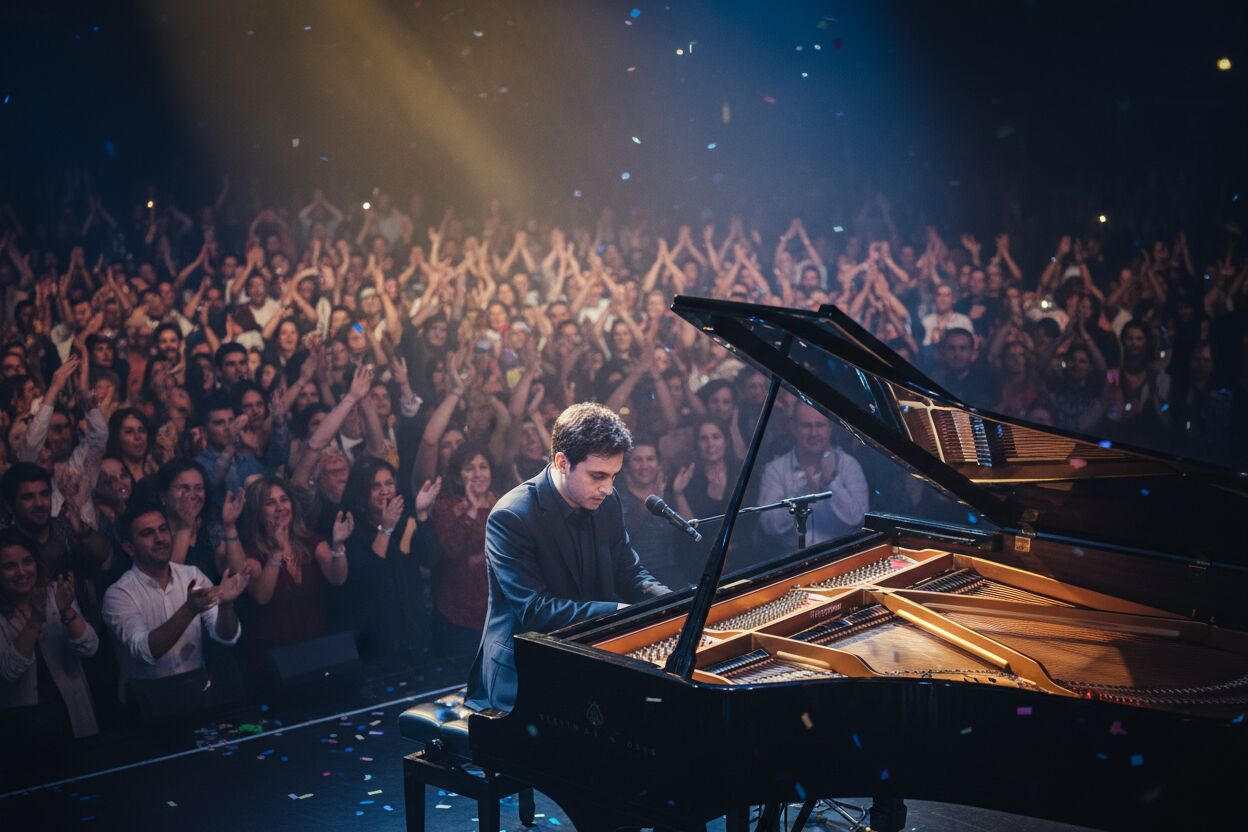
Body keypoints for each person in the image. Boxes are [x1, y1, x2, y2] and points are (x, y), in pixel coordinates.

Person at [465, 403, 669, 711]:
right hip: (524, 673)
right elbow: (535, 611)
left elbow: (629, 572)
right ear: (562, 462)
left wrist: (672, 602)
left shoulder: (608, 501)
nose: (607, 488)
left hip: (589, 654)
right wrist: (619, 612)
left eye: (613, 476)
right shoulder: (512, 516)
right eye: (598, 476)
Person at [101, 503, 248, 700]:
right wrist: (189, 609)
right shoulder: (119, 594)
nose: (160, 538)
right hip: (149, 696)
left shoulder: (191, 575)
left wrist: (226, 605)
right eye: (147, 533)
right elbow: (144, 651)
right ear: (129, 548)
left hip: (198, 686)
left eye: (163, 529)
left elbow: (226, 637)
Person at [0, 534, 100, 747]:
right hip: (23, 728)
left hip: (73, 712)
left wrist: (67, 612)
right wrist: (36, 619)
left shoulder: (55, 592)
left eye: (27, 561)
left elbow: (90, 648)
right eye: (9, 566)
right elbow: (8, 671)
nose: (21, 572)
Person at [756, 402, 869, 549]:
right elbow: (768, 525)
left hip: (841, 553)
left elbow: (859, 518)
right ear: (793, 427)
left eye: (820, 425)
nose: (814, 433)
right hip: (793, 557)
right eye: (806, 426)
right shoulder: (775, 470)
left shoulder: (848, 465)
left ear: (830, 428)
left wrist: (830, 482)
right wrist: (804, 497)